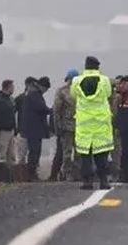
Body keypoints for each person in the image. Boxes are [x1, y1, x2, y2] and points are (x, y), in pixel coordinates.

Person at [71, 56, 113, 190]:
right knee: (101, 155)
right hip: (101, 124)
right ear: (97, 67)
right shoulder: (105, 80)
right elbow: (108, 93)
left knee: (85, 156)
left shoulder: (76, 81)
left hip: (84, 124)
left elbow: (73, 95)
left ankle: (87, 181)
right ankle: (103, 180)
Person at [21, 76, 52, 181]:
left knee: (35, 151)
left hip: (32, 128)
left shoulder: (32, 93)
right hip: (34, 129)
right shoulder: (35, 94)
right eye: (46, 89)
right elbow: (41, 108)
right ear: (42, 86)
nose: (45, 91)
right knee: (34, 151)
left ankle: (32, 174)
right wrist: (51, 110)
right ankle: (31, 174)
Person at [52, 69, 79, 181]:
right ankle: (66, 173)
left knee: (80, 153)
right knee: (67, 152)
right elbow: (56, 110)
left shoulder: (81, 91)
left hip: (80, 126)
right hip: (66, 126)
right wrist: (57, 126)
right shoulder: (62, 92)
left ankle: (77, 173)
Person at [13, 77, 36, 178]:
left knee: (32, 154)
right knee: (21, 156)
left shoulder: (34, 97)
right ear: (27, 85)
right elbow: (12, 112)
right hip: (22, 130)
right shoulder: (20, 99)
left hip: (31, 131)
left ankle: (29, 175)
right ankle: (20, 176)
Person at [110, 75, 124, 181]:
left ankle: (116, 174)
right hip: (106, 127)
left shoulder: (119, 97)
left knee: (116, 152)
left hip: (115, 127)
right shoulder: (106, 97)